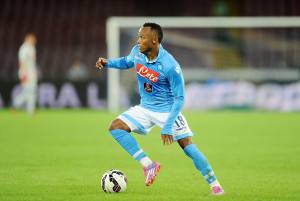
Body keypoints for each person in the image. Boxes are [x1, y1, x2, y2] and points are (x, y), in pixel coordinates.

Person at [95, 23, 224, 195]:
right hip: (145, 107)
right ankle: (149, 165)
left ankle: (215, 185)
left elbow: (180, 99)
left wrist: (168, 125)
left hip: (167, 111)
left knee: (188, 147)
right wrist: (108, 63)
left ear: (154, 40)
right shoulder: (137, 52)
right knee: (116, 127)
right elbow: (126, 62)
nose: (138, 40)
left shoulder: (170, 66)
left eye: (142, 37)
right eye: (139, 36)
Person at [13, 33, 38, 116]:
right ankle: (17, 104)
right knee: (29, 92)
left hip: (31, 73)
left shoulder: (32, 48)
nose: (34, 41)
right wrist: (24, 74)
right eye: (32, 39)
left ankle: (29, 110)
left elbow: (32, 63)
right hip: (26, 73)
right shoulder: (24, 48)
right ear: (27, 39)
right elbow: (22, 62)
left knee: (30, 92)